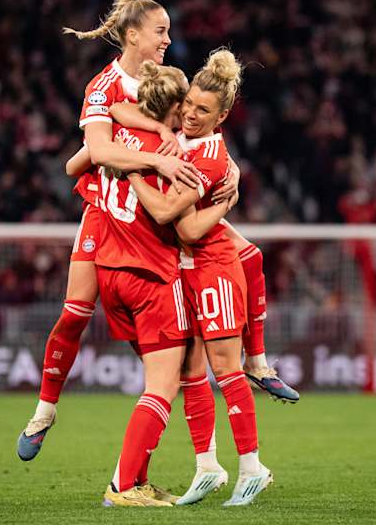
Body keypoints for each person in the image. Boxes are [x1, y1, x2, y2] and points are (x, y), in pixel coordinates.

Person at [16, 0, 199, 462]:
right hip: (106, 214)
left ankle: (206, 455)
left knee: (178, 356)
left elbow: (84, 158)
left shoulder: (166, 84)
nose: (167, 40)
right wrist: (151, 158)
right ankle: (45, 410)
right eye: (161, 32)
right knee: (75, 313)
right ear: (133, 35)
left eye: (169, 32)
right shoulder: (102, 86)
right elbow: (97, 152)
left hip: (156, 224)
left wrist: (164, 136)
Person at [129, 49, 273, 506]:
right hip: (182, 271)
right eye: (189, 103)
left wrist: (134, 172)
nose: (189, 114)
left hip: (213, 268)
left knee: (225, 370)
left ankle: (252, 467)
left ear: (222, 116)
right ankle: (207, 466)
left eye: (202, 110)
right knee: (192, 372)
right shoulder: (187, 138)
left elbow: (188, 228)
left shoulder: (208, 157)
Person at [95, 61, 233, 506]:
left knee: (181, 372)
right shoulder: (172, 153)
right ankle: (123, 485)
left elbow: (84, 151)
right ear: (173, 108)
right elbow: (172, 220)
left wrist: (128, 164)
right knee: (163, 385)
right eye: (186, 107)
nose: (189, 117)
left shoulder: (119, 137)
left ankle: (140, 476)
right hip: (150, 274)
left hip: (108, 271)